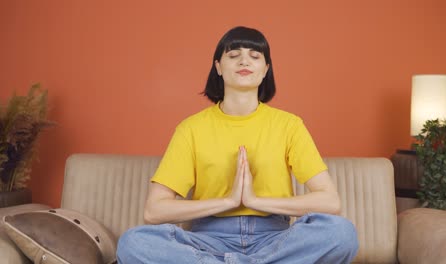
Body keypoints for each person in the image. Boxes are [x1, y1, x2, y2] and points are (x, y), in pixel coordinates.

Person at [117, 26, 359, 264]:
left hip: (275, 238)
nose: (244, 61)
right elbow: (154, 211)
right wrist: (229, 201)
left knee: (341, 232)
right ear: (218, 67)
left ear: (265, 70)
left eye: (254, 56)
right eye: (233, 56)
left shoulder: (289, 125)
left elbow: (329, 202)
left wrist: (254, 201)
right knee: (133, 243)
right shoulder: (191, 129)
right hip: (209, 241)